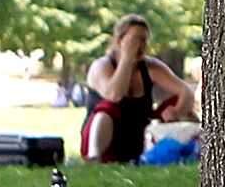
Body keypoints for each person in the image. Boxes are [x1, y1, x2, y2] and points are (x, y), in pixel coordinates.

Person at [83, 14, 195, 162]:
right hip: (104, 142)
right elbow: (114, 94)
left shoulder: (151, 67)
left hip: (139, 138)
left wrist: (177, 110)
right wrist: (127, 59)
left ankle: (201, 150)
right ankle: (94, 160)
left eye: (144, 40)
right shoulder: (102, 66)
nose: (139, 45)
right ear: (119, 41)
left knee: (182, 108)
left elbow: (185, 91)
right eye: (134, 39)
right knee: (108, 108)